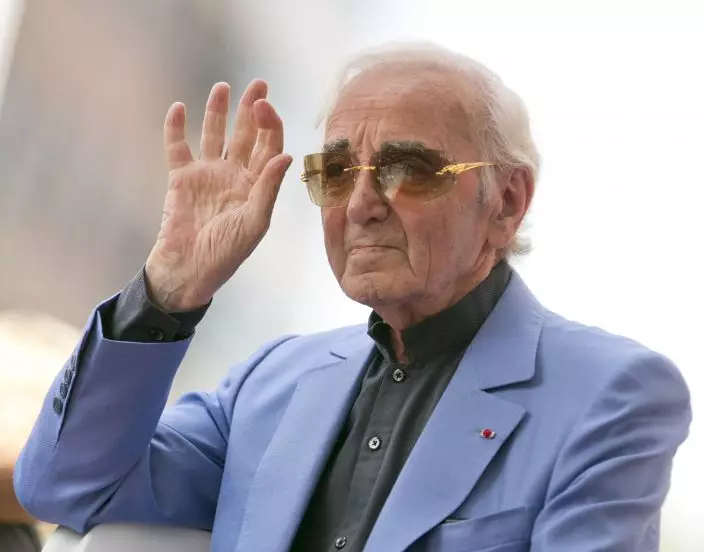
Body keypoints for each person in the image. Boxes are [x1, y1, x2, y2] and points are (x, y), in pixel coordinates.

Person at [14, 43, 691, 552]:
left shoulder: (610, 393)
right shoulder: (272, 383)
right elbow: (66, 486)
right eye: (336, 171)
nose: (361, 203)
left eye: (408, 168)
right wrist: (169, 289)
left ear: (506, 202)